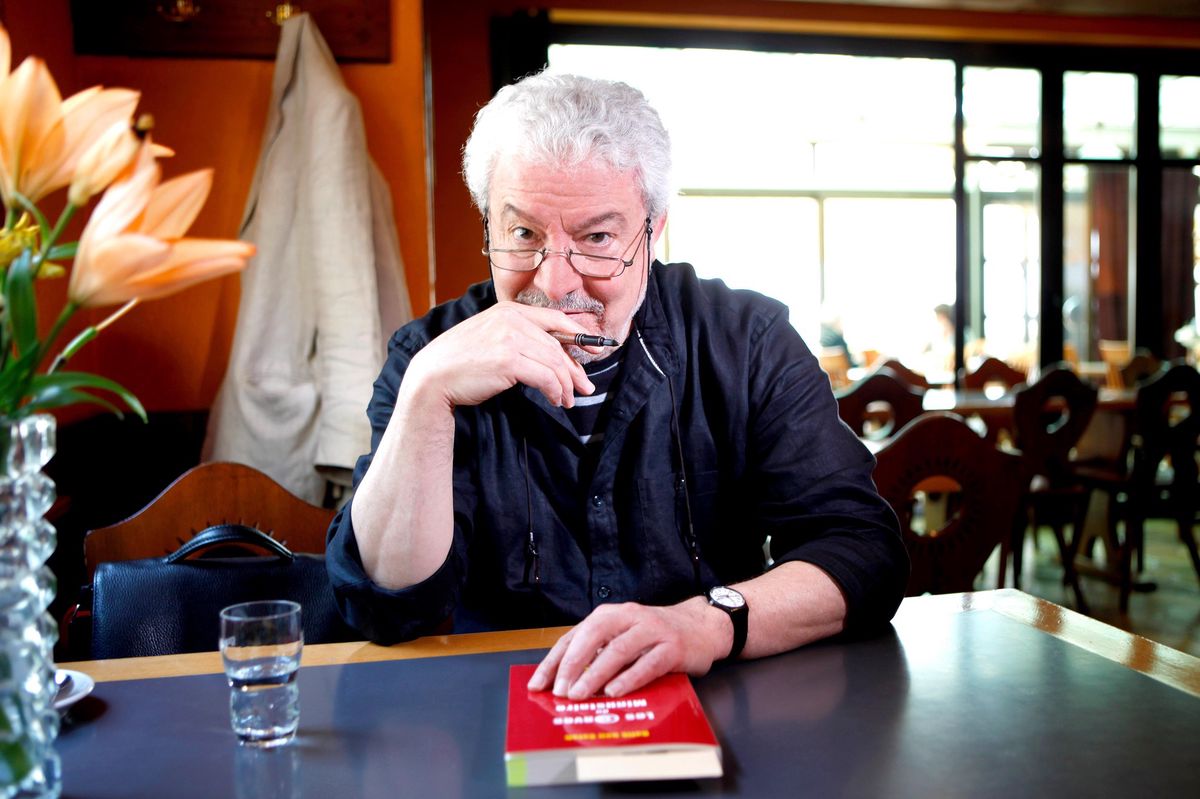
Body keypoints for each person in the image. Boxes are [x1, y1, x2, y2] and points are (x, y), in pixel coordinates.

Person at [326, 72, 908, 701]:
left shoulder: (746, 339)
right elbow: (387, 608)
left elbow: (862, 553)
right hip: (495, 706)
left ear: (655, 233)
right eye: (523, 235)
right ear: (488, 224)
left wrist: (706, 623)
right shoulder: (427, 355)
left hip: (718, 696)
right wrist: (425, 398)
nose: (555, 281)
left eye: (596, 238)